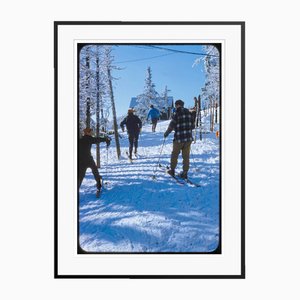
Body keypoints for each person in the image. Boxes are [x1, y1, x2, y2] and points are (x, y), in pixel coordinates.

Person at [163, 99, 194, 179]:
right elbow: (193, 126)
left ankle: (172, 170)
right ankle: (185, 172)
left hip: (179, 139)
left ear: (177, 105)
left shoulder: (176, 114)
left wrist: (166, 133)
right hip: (188, 138)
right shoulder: (189, 113)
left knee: (175, 154)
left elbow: (171, 126)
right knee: (186, 156)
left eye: (176, 105)